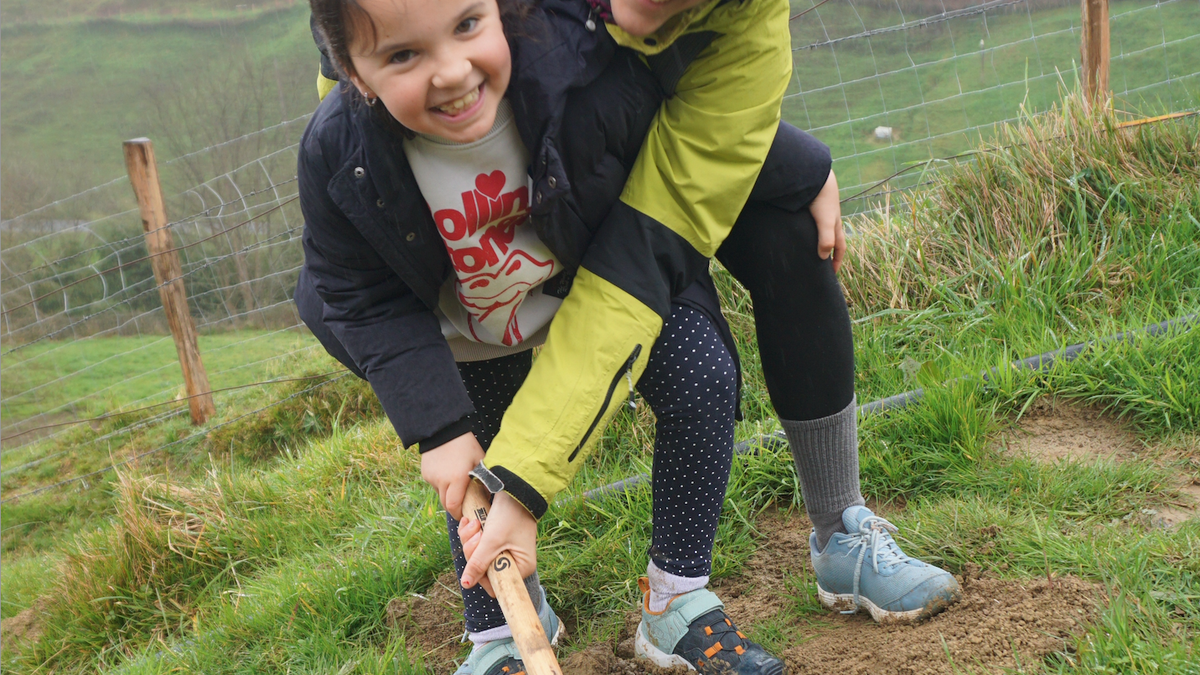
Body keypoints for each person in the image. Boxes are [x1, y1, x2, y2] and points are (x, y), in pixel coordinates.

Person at [299, 0, 790, 672]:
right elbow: (361, 294)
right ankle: (502, 632)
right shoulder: (340, 151)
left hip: (594, 279)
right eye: (403, 55)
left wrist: (805, 170)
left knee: (701, 375)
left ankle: (677, 597)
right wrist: (436, 426)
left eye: (468, 26)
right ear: (352, 73)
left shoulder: (575, 78)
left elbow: (658, 200)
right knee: (472, 455)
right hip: (470, 321)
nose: (451, 72)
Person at [452, 0, 963, 642]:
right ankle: (500, 621)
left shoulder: (750, 23)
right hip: (498, 174)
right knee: (477, 349)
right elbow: (372, 94)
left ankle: (836, 534)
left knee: (788, 235)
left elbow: (637, 261)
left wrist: (799, 167)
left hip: (630, 161)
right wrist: (518, 478)